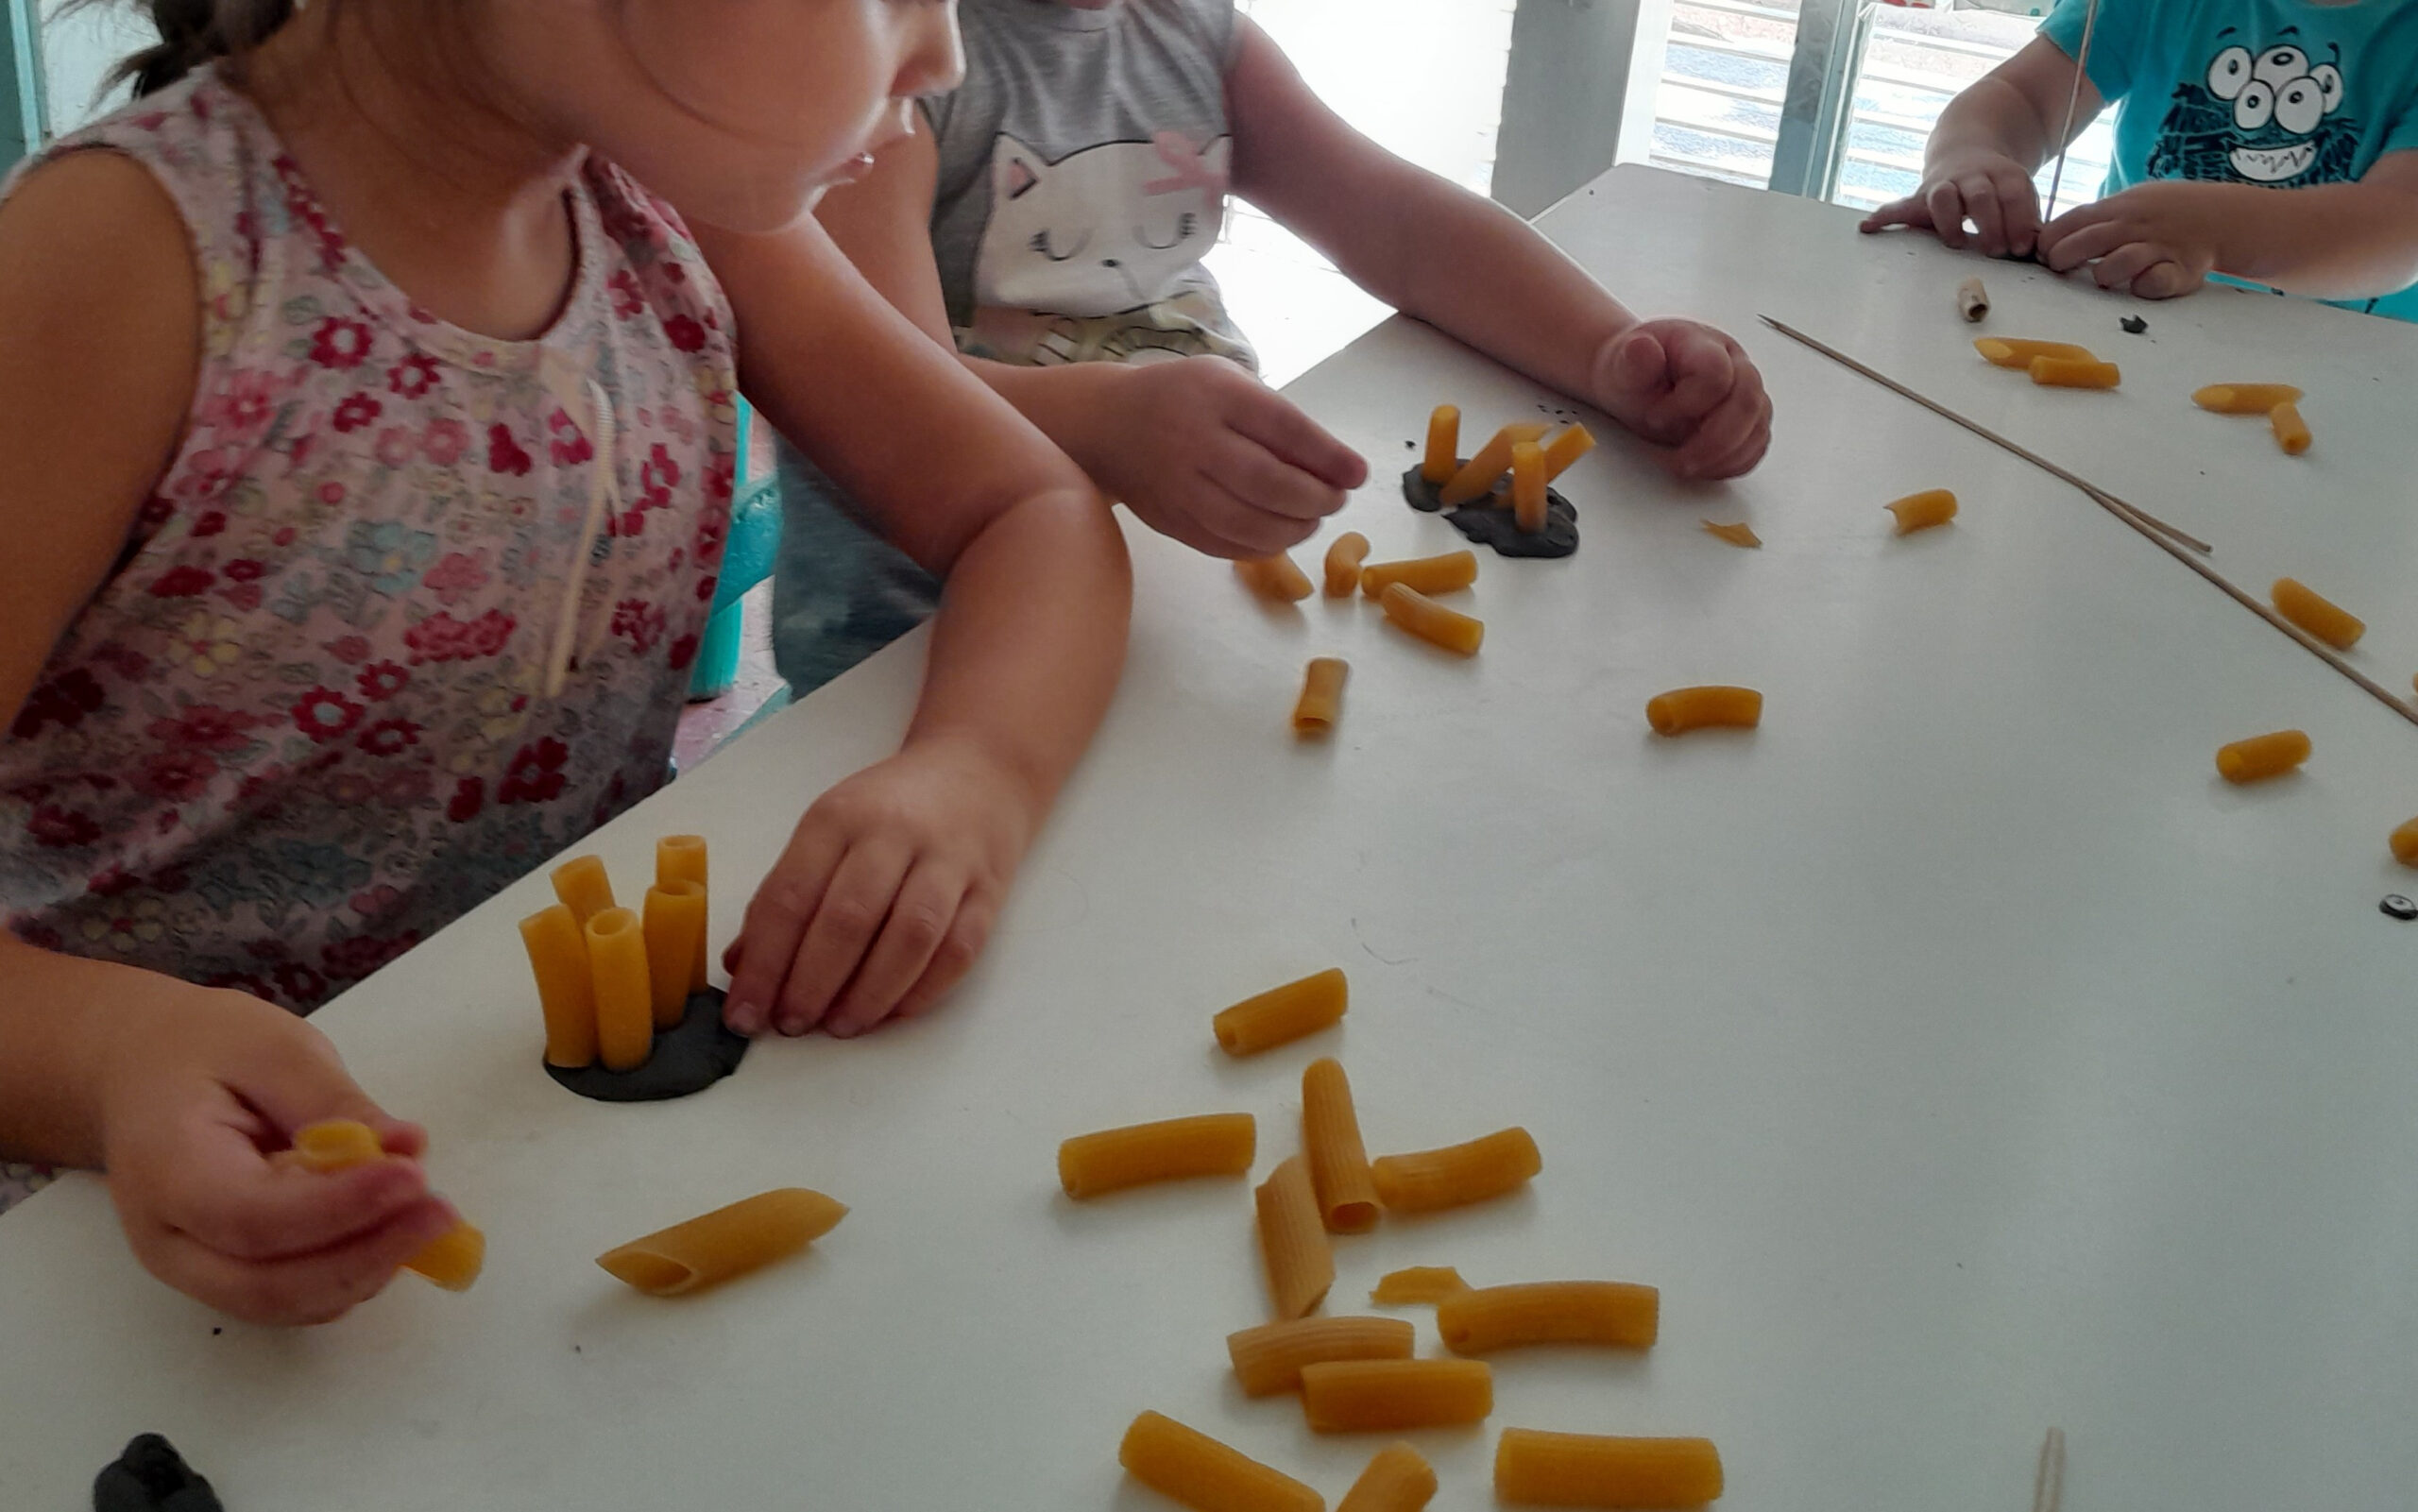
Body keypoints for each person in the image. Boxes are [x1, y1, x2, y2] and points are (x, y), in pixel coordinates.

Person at [0, 0, 1132, 1323]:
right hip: (132, 1235)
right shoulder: (122, 262)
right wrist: (108, 1061)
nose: (943, 53)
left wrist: (974, 772)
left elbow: (1031, 511)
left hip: (548, 1133)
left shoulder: (661, 186)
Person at [767, 0, 1776, 695]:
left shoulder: (1193, 34)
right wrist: (1109, 426)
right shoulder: (894, 64)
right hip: (926, 637)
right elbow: (878, 388)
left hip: (1177, 597)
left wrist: (1607, 351)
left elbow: (1400, 226)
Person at [1860, 0, 2418, 318]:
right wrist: (1970, 155)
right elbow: (2024, 98)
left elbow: (2401, 226)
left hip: (2352, 379)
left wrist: (2216, 231)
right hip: (2135, 326)